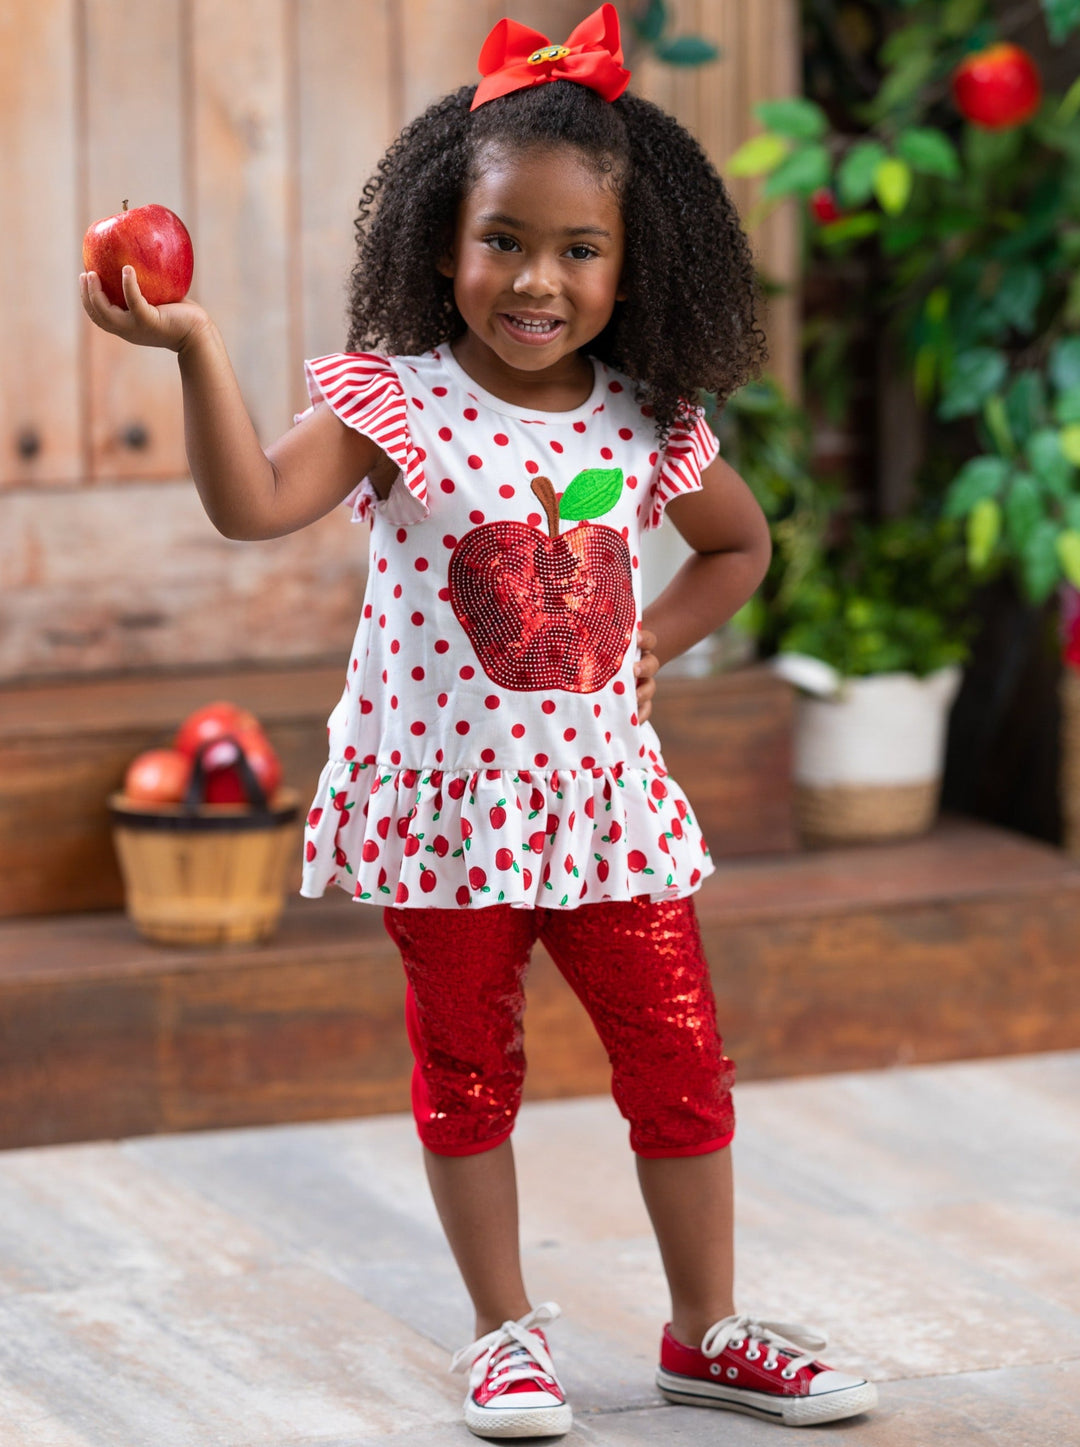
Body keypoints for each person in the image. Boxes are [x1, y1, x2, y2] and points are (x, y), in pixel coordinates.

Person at [80, 5, 878, 1437]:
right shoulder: (395, 403)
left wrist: (648, 645)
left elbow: (740, 551)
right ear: (442, 244)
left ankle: (708, 1329)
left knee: (681, 1061)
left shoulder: (648, 418)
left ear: (634, 267)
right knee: (467, 1073)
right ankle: (505, 1334)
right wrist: (194, 344)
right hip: (447, 817)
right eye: (503, 239)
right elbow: (249, 506)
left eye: (581, 250)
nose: (537, 279)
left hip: (602, 809)